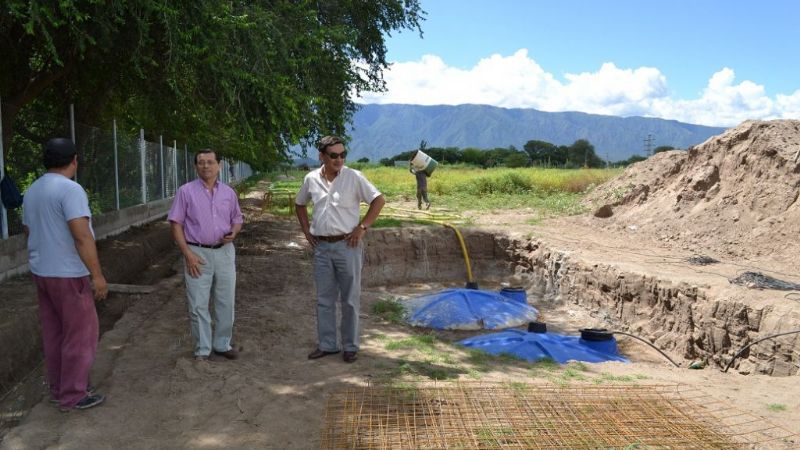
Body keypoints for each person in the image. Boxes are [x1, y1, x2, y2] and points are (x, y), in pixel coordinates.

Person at [22, 137, 108, 412]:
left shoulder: (33, 190)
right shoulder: (70, 190)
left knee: (55, 333)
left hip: (42, 271)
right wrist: (97, 276)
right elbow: (82, 236)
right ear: (74, 160)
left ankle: (60, 388)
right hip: (69, 275)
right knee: (81, 334)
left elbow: (29, 230)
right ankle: (73, 394)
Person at [295, 136, 385, 363]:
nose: (339, 159)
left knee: (350, 299)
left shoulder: (354, 177)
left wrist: (363, 227)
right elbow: (300, 203)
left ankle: (350, 347)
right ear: (322, 156)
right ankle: (327, 345)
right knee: (324, 299)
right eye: (334, 155)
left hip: (348, 245)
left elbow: (379, 200)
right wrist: (306, 230)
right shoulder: (311, 179)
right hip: (322, 247)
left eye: (343, 154)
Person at [168, 149, 243, 361]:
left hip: (225, 253)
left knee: (226, 300)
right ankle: (203, 349)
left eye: (210, 162)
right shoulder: (185, 191)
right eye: (201, 163)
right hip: (197, 253)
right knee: (198, 303)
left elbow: (237, 218)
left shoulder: (228, 192)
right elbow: (176, 224)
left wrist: (234, 232)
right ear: (195, 167)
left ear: (219, 165)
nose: (206, 166)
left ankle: (222, 344)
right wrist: (187, 254)